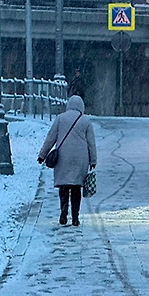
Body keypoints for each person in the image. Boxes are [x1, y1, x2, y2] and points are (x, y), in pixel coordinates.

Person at [37, 95, 97, 227]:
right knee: (76, 187)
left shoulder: (60, 118)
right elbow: (91, 143)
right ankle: (75, 217)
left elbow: (50, 138)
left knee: (64, 186)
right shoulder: (85, 121)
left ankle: (63, 213)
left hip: (63, 157)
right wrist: (93, 160)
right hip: (80, 158)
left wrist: (42, 155)